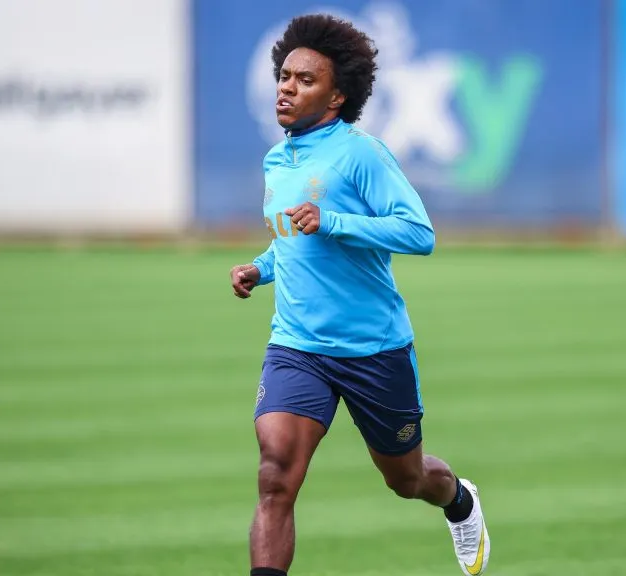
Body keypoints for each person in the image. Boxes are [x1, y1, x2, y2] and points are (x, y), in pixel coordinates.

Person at [229, 13, 490, 576]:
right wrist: (259, 268)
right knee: (276, 474)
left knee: (408, 479)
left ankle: (460, 501)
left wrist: (335, 221)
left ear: (336, 95)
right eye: (285, 75)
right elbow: (293, 240)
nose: (286, 86)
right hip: (298, 346)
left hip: (374, 350)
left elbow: (419, 234)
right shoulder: (278, 160)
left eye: (305, 80)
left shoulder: (361, 154)